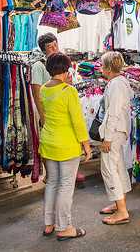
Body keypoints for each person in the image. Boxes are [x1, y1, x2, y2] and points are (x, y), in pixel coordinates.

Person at [39, 53, 92, 241]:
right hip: (66, 144)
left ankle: (49, 223)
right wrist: (86, 145)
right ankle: (64, 227)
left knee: (52, 183)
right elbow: (78, 121)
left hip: (48, 142)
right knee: (65, 186)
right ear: (66, 68)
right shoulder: (68, 91)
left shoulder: (44, 89)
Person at [98, 51, 134, 225]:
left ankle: (121, 210)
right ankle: (119, 203)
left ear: (107, 68)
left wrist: (107, 138)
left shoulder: (116, 85)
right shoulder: (120, 82)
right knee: (118, 166)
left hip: (115, 131)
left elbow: (113, 113)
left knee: (109, 168)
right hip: (119, 130)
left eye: (102, 65)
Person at [32, 33, 60, 124]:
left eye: (55, 45)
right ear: (44, 50)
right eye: (49, 47)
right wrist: (43, 117)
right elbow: (36, 94)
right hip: (47, 112)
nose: (54, 48)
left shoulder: (61, 64)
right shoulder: (38, 66)